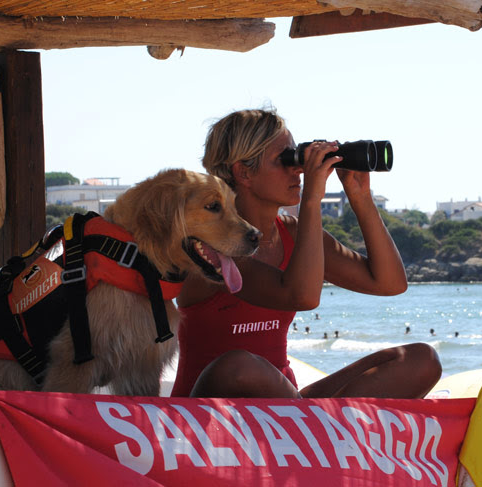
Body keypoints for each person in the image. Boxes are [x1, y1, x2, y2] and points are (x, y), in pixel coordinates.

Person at [171, 108, 441, 399]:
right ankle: (318, 427)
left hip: (286, 405)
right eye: (284, 160)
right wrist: (312, 199)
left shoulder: (293, 234)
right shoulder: (208, 243)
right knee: (239, 366)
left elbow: (390, 283)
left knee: (421, 360)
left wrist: (360, 196)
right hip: (205, 412)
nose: (298, 169)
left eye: (296, 157)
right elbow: (302, 297)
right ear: (244, 172)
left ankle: (312, 426)